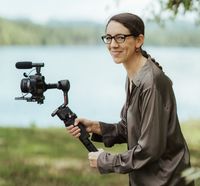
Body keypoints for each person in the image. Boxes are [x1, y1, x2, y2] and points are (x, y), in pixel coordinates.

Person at [66, 13, 194, 186]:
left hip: (166, 180)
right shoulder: (134, 76)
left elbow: (150, 149)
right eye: (109, 38)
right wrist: (94, 127)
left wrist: (106, 160)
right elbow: (128, 128)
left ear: (139, 40)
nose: (112, 44)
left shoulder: (152, 82)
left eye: (120, 37)